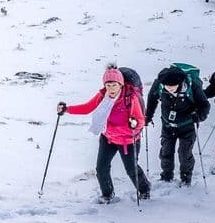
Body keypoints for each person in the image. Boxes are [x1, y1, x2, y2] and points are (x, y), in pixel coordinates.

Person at [57, 66, 150, 203]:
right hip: (108, 139)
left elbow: (141, 121)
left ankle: (144, 190)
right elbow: (87, 108)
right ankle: (107, 194)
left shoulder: (131, 98)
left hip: (128, 141)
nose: (111, 88)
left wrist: (134, 125)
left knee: (131, 169)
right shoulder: (102, 96)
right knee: (101, 169)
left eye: (114, 85)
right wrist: (67, 110)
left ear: (121, 84)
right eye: (108, 85)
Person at [145, 65, 210, 186]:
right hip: (168, 125)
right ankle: (166, 176)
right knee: (166, 152)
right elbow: (152, 99)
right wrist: (148, 116)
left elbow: (205, 105)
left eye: (172, 86)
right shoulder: (159, 84)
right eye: (167, 86)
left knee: (184, 154)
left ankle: (186, 178)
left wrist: (199, 116)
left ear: (179, 83)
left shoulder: (192, 87)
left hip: (187, 126)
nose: (169, 88)